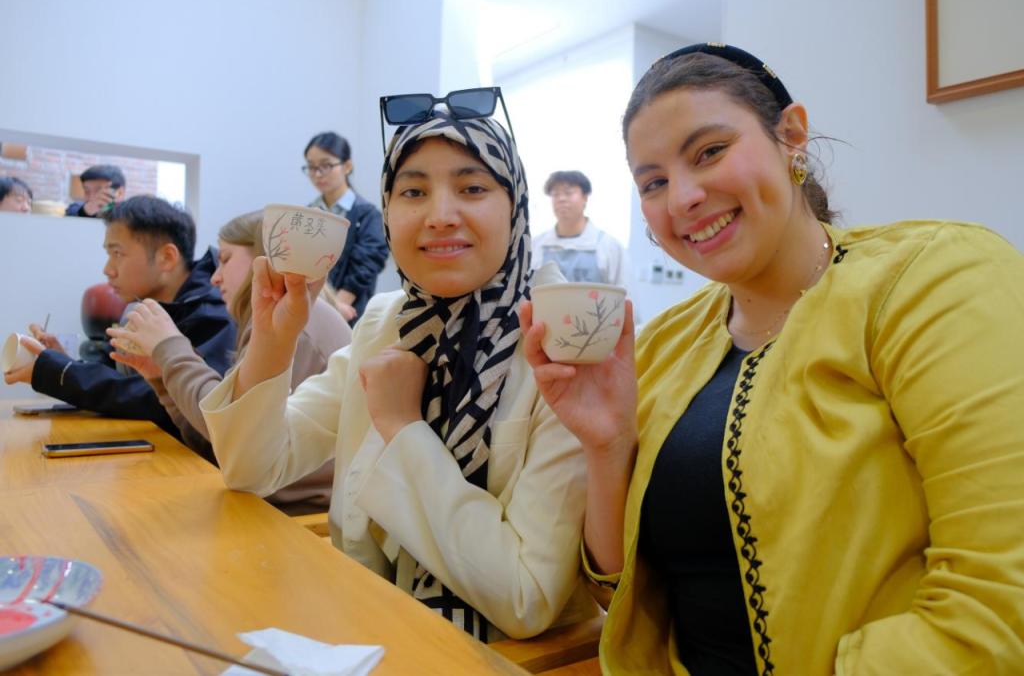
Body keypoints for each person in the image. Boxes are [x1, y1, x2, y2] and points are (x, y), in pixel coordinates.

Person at [522, 43, 1024, 674]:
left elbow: (999, 605)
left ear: (792, 136)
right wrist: (606, 445)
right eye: (653, 183)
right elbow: (622, 600)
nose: (681, 198)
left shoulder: (932, 281)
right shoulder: (662, 344)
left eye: (709, 152)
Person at [201, 106, 595, 641]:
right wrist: (273, 342)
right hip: (367, 627)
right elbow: (253, 469)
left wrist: (401, 426)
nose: (440, 215)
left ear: (516, 207)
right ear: (387, 213)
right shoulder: (388, 322)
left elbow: (527, 597)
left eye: (473, 188)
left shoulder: (564, 338)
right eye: (413, 192)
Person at [107, 211, 352, 515]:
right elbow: (228, 444)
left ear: (264, 259)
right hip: (275, 505)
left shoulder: (298, 327)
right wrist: (162, 378)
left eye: (225, 259)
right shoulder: (269, 320)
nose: (215, 277)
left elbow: (238, 435)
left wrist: (170, 347)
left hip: (300, 517)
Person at [4, 196, 236, 439]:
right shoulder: (143, 309)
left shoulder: (213, 315)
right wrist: (63, 361)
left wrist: (62, 373)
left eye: (118, 253)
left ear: (167, 257)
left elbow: (167, 400)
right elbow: (116, 375)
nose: (107, 269)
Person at [304, 131, 389, 323]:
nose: (318, 174)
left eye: (326, 165)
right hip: (311, 309)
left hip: (349, 313)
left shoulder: (367, 214)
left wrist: (336, 306)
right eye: (311, 167)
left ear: (347, 166)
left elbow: (367, 263)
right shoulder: (308, 213)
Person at [531, 170, 627, 286]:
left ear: (585, 197)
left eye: (568, 193)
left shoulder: (609, 247)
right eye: (555, 194)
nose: (561, 199)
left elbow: (624, 293)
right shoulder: (536, 246)